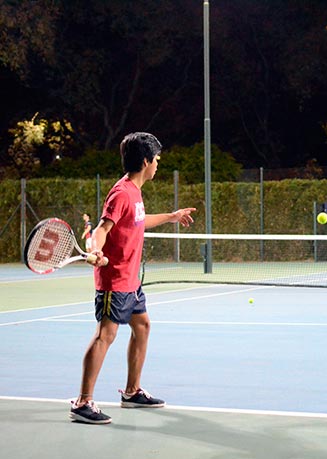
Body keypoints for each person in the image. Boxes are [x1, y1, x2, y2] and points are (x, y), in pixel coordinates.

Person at [69, 132, 196, 424]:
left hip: (131, 280)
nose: (158, 164)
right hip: (115, 280)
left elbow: (138, 221)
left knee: (143, 326)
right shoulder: (121, 193)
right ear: (145, 161)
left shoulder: (135, 193)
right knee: (106, 335)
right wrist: (96, 250)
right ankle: (83, 402)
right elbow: (101, 229)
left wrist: (171, 216)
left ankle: (131, 392)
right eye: (157, 160)